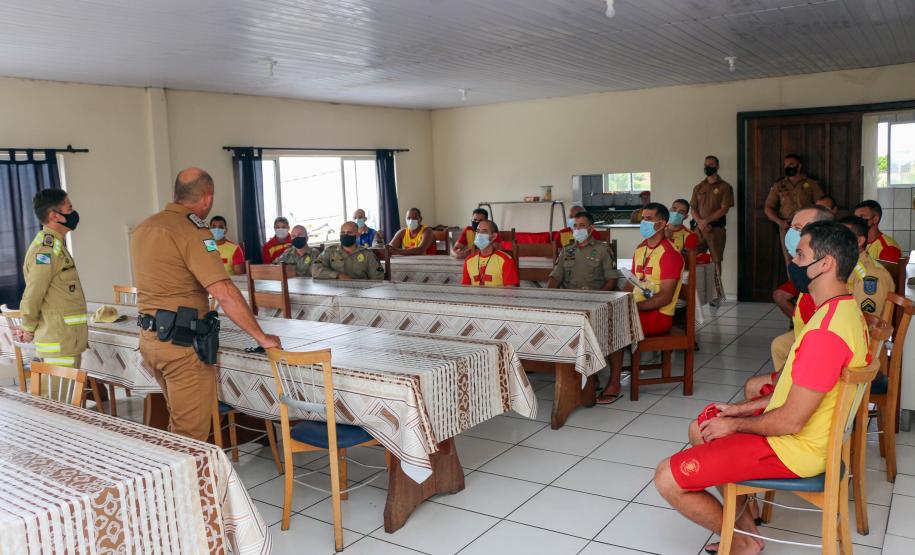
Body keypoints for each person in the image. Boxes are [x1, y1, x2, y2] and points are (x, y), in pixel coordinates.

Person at [654, 221, 868, 555]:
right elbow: (796, 393)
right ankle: (747, 532)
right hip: (803, 436)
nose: (793, 262)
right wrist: (738, 411)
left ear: (825, 264)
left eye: (801, 255)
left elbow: (791, 420)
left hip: (795, 449)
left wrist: (736, 425)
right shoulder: (842, 310)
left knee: (667, 477)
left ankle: (741, 542)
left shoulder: (825, 334)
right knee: (703, 427)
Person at [132, 168, 281, 441]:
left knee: (178, 422)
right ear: (207, 199)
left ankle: (174, 466)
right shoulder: (193, 231)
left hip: (151, 339)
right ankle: (186, 470)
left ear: (176, 194)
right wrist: (262, 337)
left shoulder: (145, 227)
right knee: (191, 435)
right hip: (182, 345)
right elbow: (223, 291)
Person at [752, 213, 893, 399]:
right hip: (833, 332)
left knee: (756, 387)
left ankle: (790, 392)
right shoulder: (829, 273)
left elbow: (862, 322)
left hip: (850, 349)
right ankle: (787, 390)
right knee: (780, 346)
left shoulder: (867, 276)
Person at [598, 203, 683, 404]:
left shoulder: (670, 254)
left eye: (649, 219)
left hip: (659, 315)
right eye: (642, 218)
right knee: (599, 316)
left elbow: (665, 297)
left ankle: (614, 383)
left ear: (661, 223)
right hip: (638, 309)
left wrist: (630, 307)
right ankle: (591, 378)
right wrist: (618, 300)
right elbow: (632, 283)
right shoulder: (641, 248)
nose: (643, 222)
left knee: (613, 325)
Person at [17, 189, 87, 369]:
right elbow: (34, 293)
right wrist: (28, 327)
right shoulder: (46, 250)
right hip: (59, 342)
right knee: (58, 389)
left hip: (67, 340)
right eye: (69, 209)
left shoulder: (55, 246)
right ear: (55, 216)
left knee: (69, 389)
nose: (73, 213)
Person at [771, 205, 835, 318]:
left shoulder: (824, 281)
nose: (791, 233)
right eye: (791, 227)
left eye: (797, 228)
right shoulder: (805, 274)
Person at [764, 153, 825, 266]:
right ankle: (791, 278)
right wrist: (780, 222)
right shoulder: (779, 185)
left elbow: (822, 204)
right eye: (785, 165)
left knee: (809, 258)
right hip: (786, 227)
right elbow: (768, 208)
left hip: (806, 228)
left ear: (799, 166)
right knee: (790, 261)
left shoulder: (811, 184)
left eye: (791, 164)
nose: (788, 167)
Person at [547, 211, 616, 290]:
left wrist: (599, 296)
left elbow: (612, 279)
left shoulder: (603, 249)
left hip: (593, 295)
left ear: (591, 228)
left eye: (582, 225)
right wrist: (548, 294)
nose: (577, 229)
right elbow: (555, 277)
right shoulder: (566, 250)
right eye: (575, 226)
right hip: (569, 295)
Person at [690, 155, 734, 271]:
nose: (707, 167)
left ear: (717, 166)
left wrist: (706, 221)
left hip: (716, 229)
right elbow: (693, 208)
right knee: (696, 259)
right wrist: (700, 222)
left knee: (716, 261)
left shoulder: (725, 187)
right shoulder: (698, 187)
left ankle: (717, 283)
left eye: (711, 165)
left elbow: (724, 209)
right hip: (699, 230)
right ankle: (699, 283)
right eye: (706, 165)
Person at [313, 221, 385, 280]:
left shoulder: (367, 254)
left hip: (361, 290)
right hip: (335, 289)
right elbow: (315, 270)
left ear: (357, 235)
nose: (345, 235)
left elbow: (378, 277)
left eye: (349, 232)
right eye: (343, 233)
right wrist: (338, 275)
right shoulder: (329, 251)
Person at [461, 220, 519, 287]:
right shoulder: (468, 261)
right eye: (478, 231)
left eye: (484, 232)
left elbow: (510, 290)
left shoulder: (506, 260)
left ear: (493, 236)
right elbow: (465, 288)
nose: (479, 235)